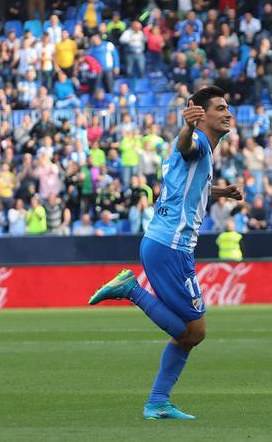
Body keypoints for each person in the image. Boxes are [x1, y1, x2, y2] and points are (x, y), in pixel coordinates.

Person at [88, 86, 243, 419]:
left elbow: (188, 186)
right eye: (220, 108)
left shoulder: (204, 153)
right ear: (200, 113)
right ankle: (130, 289)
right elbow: (186, 145)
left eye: (227, 107)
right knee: (194, 330)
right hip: (171, 247)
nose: (228, 112)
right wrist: (187, 128)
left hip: (161, 243)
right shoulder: (198, 142)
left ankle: (158, 401)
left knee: (189, 333)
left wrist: (221, 192)